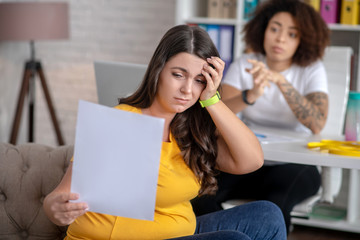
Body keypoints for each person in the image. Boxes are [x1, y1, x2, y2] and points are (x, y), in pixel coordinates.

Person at [43, 25, 286, 240]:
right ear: (158, 70)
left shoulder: (192, 129)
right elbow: (60, 198)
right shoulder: (124, 121)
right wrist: (57, 208)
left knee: (267, 215)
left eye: (200, 80)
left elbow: (252, 161)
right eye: (178, 75)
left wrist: (212, 100)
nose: (187, 90)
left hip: (180, 232)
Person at [191, 0, 330, 234]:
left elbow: (317, 122)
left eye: (292, 34)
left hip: (295, 165)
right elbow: (216, 110)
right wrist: (250, 95)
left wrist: (281, 82)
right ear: (263, 29)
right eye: (274, 28)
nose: (280, 39)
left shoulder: (311, 69)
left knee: (275, 206)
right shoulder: (247, 62)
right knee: (198, 196)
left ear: (303, 39)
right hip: (246, 159)